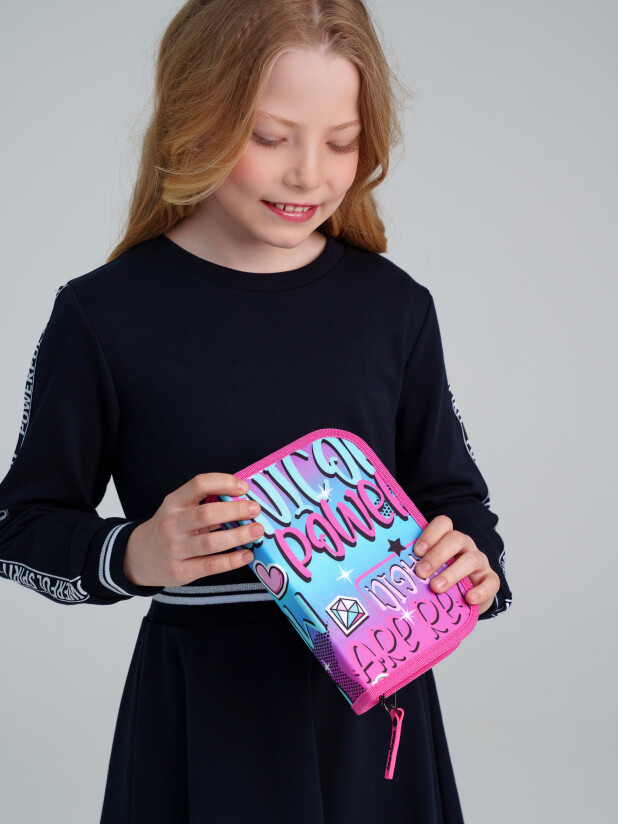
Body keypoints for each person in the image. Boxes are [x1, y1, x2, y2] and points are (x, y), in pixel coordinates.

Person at [0, 1, 512, 821]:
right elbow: (19, 526)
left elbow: (454, 495)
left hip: (378, 728)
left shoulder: (395, 308)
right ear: (193, 121)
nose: (309, 173)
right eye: (271, 137)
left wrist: (473, 562)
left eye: (341, 142)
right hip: (201, 726)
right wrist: (133, 553)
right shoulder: (103, 315)